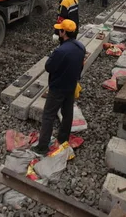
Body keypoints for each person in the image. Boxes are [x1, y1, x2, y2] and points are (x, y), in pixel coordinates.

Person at [33, 19, 86, 154]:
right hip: (71, 85)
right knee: (67, 113)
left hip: (57, 88)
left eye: (60, 30)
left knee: (48, 115)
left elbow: (48, 67)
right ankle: (63, 139)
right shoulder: (81, 47)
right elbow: (80, 65)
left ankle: (43, 146)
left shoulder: (60, 51)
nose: (58, 32)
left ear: (63, 32)